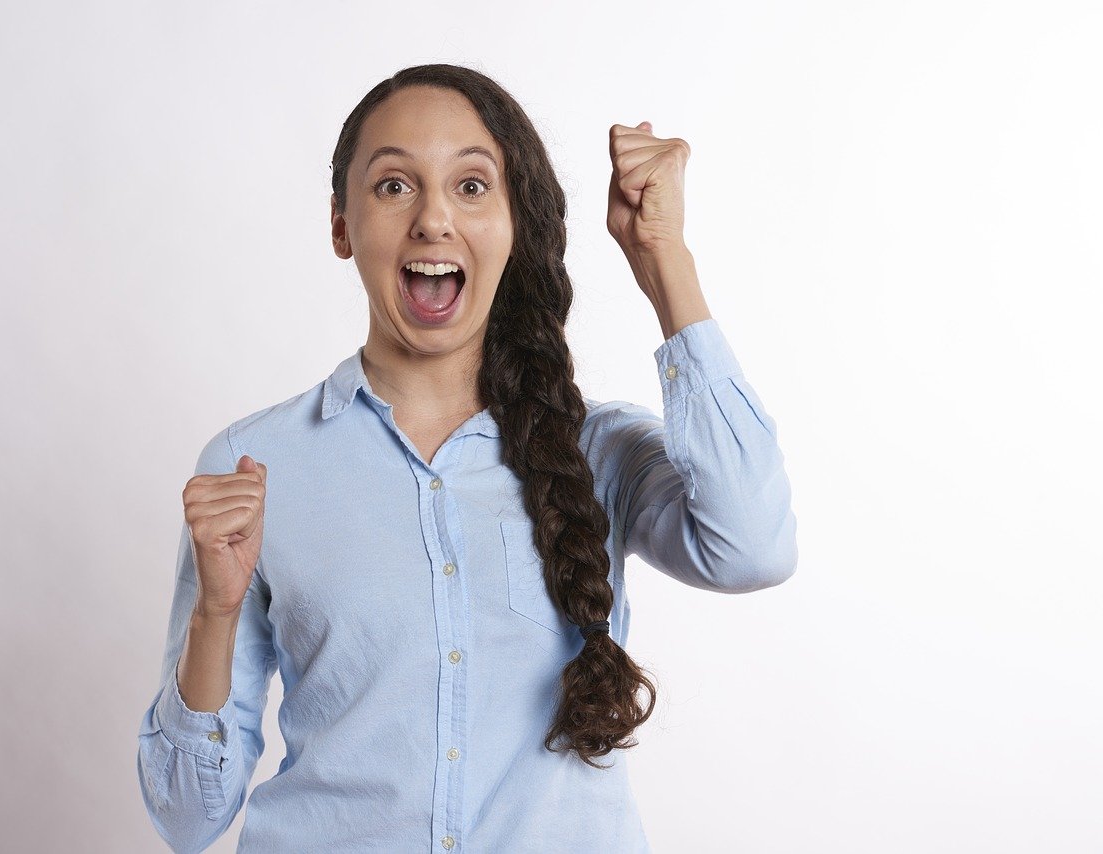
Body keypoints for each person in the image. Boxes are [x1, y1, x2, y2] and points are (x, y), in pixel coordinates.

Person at [136, 63, 798, 853]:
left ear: (516, 224)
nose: (433, 220)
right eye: (393, 187)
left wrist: (663, 260)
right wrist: (215, 614)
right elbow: (185, 818)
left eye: (473, 186)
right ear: (343, 225)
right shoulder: (255, 463)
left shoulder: (599, 449)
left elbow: (753, 547)